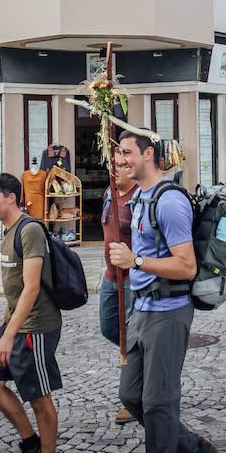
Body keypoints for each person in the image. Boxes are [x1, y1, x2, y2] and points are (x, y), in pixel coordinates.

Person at [108, 131, 217, 453]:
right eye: (118, 154)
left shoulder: (169, 201)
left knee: (159, 402)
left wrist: (135, 260)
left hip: (169, 311)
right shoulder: (139, 196)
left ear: (148, 154)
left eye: (126, 153)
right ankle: (192, 446)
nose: (119, 160)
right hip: (142, 310)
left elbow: (186, 267)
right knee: (131, 394)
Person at [0, 173, 64, 453]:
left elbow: (30, 289)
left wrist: (10, 334)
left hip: (36, 328)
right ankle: (30, 444)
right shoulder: (6, 231)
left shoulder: (29, 230)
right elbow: (14, 291)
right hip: (15, 324)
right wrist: (3, 328)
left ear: (11, 198)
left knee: (39, 399)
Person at [100, 151, 138, 424]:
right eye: (113, 165)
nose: (116, 169)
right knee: (110, 328)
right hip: (110, 277)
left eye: (122, 165)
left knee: (130, 337)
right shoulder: (108, 194)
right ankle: (142, 363)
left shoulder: (139, 197)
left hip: (132, 279)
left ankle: (133, 397)